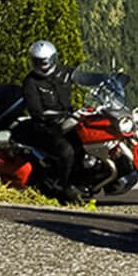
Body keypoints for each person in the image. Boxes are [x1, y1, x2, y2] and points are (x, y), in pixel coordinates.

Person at [19, 39, 86, 201]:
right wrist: (56, 116)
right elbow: (36, 111)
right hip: (46, 127)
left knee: (86, 141)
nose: (43, 65)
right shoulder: (30, 83)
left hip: (68, 121)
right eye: (38, 62)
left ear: (53, 58)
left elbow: (84, 77)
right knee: (67, 151)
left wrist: (106, 79)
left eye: (45, 61)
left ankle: (88, 178)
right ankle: (65, 187)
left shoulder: (64, 72)